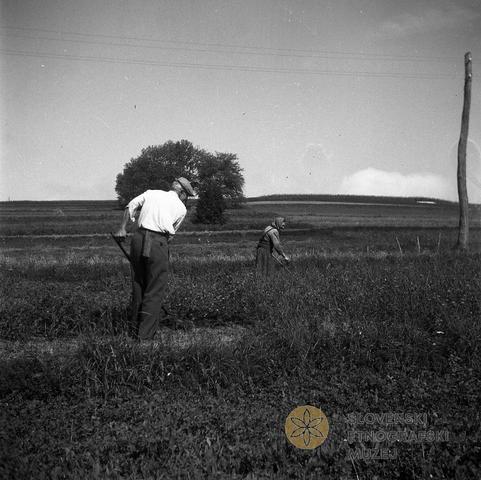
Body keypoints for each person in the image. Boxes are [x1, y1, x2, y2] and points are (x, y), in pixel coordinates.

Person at [113, 177, 195, 340]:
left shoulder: (151, 193)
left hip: (138, 239)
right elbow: (170, 235)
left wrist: (122, 228)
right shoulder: (181, 208)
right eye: (186, 195)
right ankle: (145, 337)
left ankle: (134, 331)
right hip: (158, 242)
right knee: (155, 289)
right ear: (181, 192)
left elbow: (130, 206)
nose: (185, 199)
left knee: (138, 284)